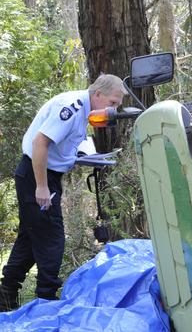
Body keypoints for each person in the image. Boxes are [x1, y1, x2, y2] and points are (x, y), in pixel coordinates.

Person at [0, 74, 126, 312]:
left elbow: (64, 144)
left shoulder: (85, 111)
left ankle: (6, 296)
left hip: (44, 175)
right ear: (97, 94)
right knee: (52, 239)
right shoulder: (71, 107)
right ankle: (46, 299)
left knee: (29, 238)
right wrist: (41, 186)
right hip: (37, 176)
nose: (113, 109)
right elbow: (40, 143)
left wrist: (80, 157)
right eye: (112, 103)